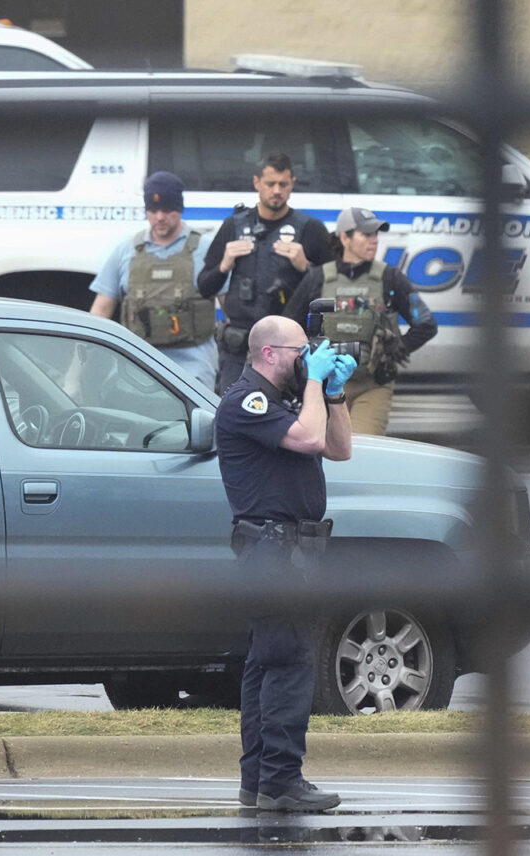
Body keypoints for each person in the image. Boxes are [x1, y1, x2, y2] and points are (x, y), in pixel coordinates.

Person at [216, 316, 356, 812]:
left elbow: (340, 448)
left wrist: (333, 393)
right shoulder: (246, 401)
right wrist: (315, 382)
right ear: (270, 353)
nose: (308, 358)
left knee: (267, 665)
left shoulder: (289, 403)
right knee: (290, 665)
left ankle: (258, 781)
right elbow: (309, 441)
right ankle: (280, 780)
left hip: (292, 552)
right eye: (301, 351)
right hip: (270, 552)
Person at [282, 206, 437, 435]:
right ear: (345, 237)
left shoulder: (390, 278)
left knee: (362, 451)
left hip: (372, 385)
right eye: (366, 235)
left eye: (376, 235)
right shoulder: (319, 277)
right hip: (325, 384)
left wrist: (396, 349)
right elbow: (288, 326)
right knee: (321, 450)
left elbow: (426, 323)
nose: (374, 241)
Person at [197, 151, 333, 394]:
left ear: (292, 184)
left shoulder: (310, 229)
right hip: (239, 349)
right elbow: (204, 287)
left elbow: (334, 291)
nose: (277, 190)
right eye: (270, 184)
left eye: (283, 184)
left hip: (287, 350)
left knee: (286, 424)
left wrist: (306, 269)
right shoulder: (234, 226)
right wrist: (223, 266)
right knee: (231, 418)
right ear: (256, 183)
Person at [87, 171, 216, 390]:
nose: (160, 217)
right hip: (136, 368)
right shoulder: (125, 250)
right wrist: (75, 372)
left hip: (192, 371)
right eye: (153, 210)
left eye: (167, 210)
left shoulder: (205, 249)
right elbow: (100, 311)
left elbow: (233, 308)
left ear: (180, 208)